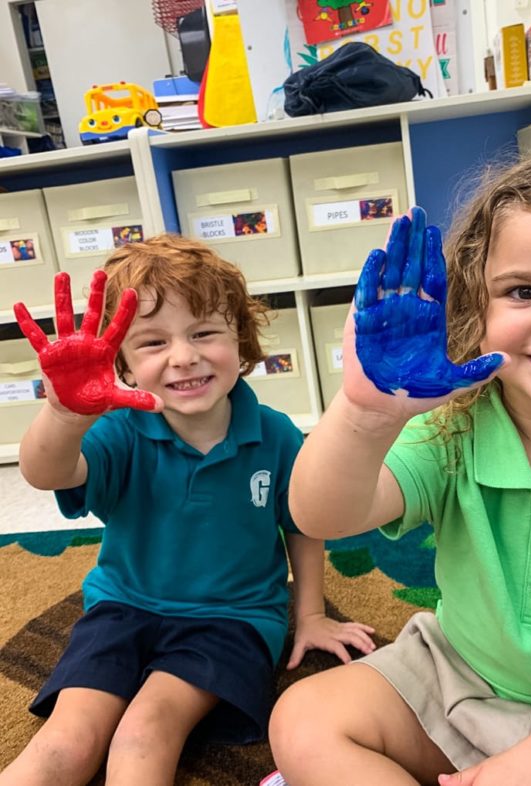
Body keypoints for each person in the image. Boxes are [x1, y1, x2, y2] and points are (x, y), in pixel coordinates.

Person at [267, 146, 531, 785]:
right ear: (477, 310)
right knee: (303, 718)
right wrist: (363, 415)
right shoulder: (451, 428)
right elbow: (322, 514)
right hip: (458, 681)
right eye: (524, 291)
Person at [1, 234, 376, 786]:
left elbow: (303, 525)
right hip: (121, 608)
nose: (184, 356)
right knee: (68, 739)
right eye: (152, 343)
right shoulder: (117, 432)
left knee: (144, 731)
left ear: (240, 339)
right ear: (121, 361)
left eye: (204, 332)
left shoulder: (275, 434)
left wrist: (312, 614)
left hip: (232, 620)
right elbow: (47, 472)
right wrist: (64, 412)